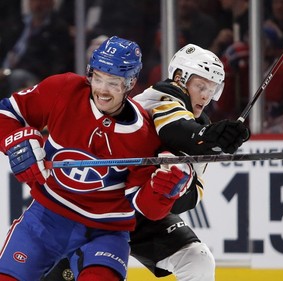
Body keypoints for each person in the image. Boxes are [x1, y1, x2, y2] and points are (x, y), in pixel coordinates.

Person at [43, 44, 250, 281]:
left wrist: (172, 186)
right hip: (99, 208)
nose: (206, 95)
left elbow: (189, 198)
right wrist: (210, 138)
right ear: (180, 78)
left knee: (197, 260)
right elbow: (176, 130)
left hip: (141, 211)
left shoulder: (200, 126)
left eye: (211, 89)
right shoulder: (158, 97)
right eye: (200, 86)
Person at [0, 36, 196, 280]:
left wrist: (164, 189)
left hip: (105, 232)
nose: (102, 90)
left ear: (130, 82)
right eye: (98, 77)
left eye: (113, 82)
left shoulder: (143, 135)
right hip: (46, 218)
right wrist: (15, 140)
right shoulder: (64, 90)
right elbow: (6, 113)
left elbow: (148, 209)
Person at [0, 0, 74, 96]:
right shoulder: (18, 24)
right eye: (34, 1)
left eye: (42, 1)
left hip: (32, 74)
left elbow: (52, 63)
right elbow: (4, 48)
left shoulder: (57, 28)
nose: (37, 5)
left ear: (51, 3)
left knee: (17, 76)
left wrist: (7, 73)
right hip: (6, 69)